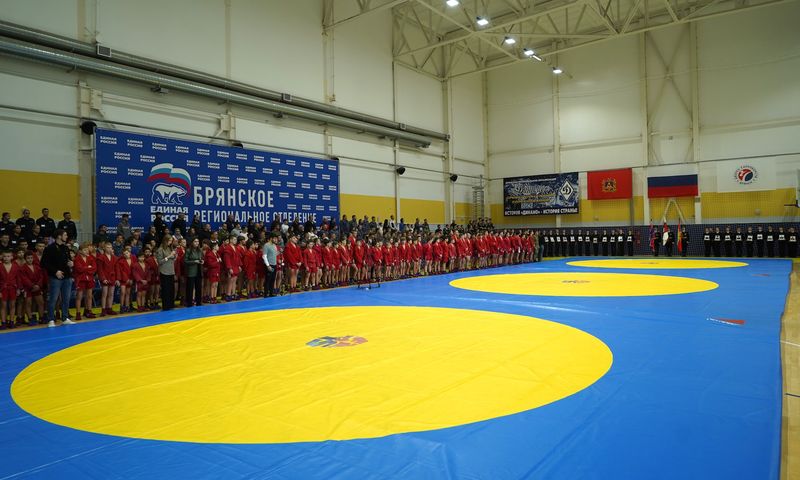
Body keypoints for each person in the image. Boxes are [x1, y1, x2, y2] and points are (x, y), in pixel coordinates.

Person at [41, 229, 75, 327]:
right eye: (65, 235)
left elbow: (68, 260)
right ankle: (51, 319)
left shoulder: (65, 248)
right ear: (59, 236)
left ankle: (65, 317)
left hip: (67, 276)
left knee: (66, 298)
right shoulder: (50, 248)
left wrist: (71, 263)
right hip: (55, 277)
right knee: (53, 299)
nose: (66, 236)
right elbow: (43, 263)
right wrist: (55, 271)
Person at [73, 242, 97, 321]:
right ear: (80, 251)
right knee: (79, 297)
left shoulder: (90, 258)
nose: (87, 251)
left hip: (89, 279)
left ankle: (89, 311)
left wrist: (85, 268)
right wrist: (88, 267)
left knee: (89, 296)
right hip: (80, 279)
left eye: (87, 250)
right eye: (84, 250)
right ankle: (78, 313)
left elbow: (94, 268)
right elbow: (79, 269)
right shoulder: (77, 259)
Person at [155, 234, 176, 310]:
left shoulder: (170, 248)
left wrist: (174, 256)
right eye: (169, 240)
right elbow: (160, 262)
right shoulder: (160, 249)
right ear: (165, 241)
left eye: (171, 241)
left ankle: (171, 305)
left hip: (171, 271)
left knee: (171, 289)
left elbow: (172, 259)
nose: (170, 242)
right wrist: (169, 256)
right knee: (166, 290)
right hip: (164, 271)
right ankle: (166, 306)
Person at [0, 250, 21, 329]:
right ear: (2, 257)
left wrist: (18, 289)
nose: (6, 258)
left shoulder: (15, 266)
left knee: (12, 305)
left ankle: (12, 322)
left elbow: (18, 278)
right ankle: (3, 323)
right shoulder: (0, 266)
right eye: (4, 256)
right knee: (3, 306)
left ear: (12, 257)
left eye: (8, 256)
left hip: (13, 288)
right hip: (3, 289)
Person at [183, 237, 203, 307]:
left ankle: (198, 302)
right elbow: (185, 261)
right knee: (190, 288)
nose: (197, 243)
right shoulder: (188, 250)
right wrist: (194, 261)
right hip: (191, 271)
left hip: (198, 270)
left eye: (198, 241)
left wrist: (201, 261)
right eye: (195, 241)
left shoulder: (199, 250)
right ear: (192, 242)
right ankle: (189, 303)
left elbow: (201, 258)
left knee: (198, 287)